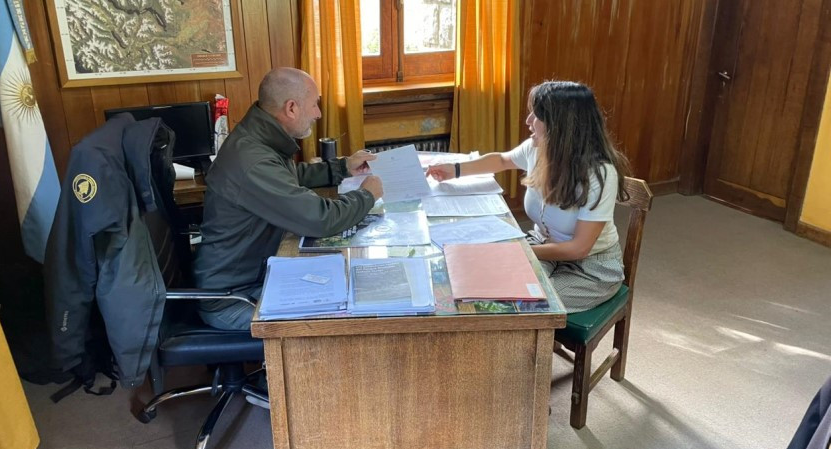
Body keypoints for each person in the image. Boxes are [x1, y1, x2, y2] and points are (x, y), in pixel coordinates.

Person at [193, 67, 383, 330]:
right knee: (337, 324)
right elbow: (320, 218)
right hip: (234, 298)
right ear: (291, 108)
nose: (318, 113)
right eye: (315, 104)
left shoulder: (258, 138)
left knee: (348, 283)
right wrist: (367, 195)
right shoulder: (252, 160)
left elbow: (288, 177)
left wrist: (342, 167)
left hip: (253, 277)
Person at [427, 81, 631, 312]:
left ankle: (528, 346)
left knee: (520, 304)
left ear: (561, 124)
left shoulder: (599, 174)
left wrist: (518, 251)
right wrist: (454, 169)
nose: (528, 121)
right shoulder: (538, 148)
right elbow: (502, 160)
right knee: (483, 283)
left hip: (591, 267)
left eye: (537, 115)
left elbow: (578, 249)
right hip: (543, 247)